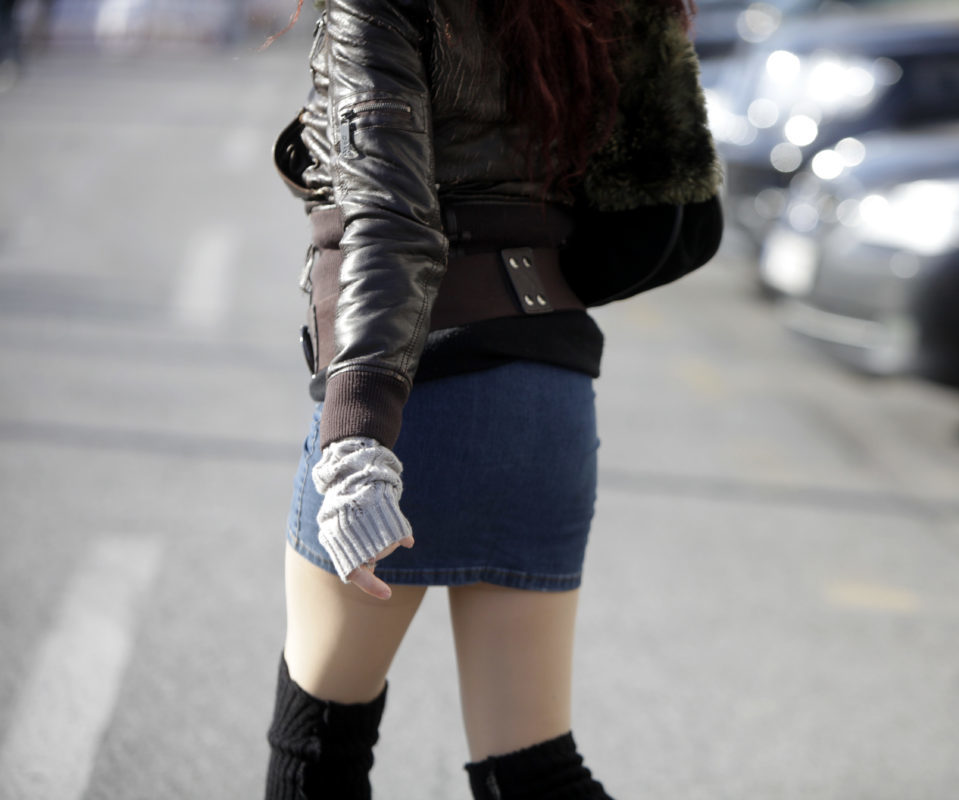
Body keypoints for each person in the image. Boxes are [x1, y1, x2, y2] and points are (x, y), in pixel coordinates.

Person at [263, 0, 720, 797]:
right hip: (547, 393)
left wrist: (358, 435)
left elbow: (390, 219)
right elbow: (681, 215)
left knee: (317, 749)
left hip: (413, 397)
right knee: (533, 771)